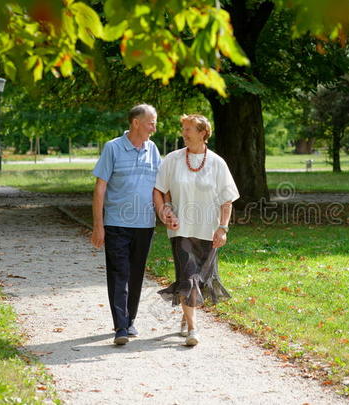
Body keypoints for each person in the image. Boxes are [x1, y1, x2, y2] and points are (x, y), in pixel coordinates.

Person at [153, 114, 239, 347]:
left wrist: (223, 228)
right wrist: (165, 211)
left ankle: (185, 314)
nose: (184, 132)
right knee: (187, 277)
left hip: (208, 230)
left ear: (203, 133)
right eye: (183, 128)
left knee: (200, 280)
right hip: (181, 230)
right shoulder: (172, 159)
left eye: (189, 128)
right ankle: (193, 328)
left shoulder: (217, 163)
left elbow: (227, 200)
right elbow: (160, 190)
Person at [91, 104, 161, 345]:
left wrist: (166, 212)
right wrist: (98, 225)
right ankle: (121, 326)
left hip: (145, 224)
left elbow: (158, 189)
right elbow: (100, 188)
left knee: (136, 275)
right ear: (135, 123)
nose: (154, 126)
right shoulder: (113, 148)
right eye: (151, 122)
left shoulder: (153, 149)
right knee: (119, 273)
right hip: (116, 224)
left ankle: (129, 320)